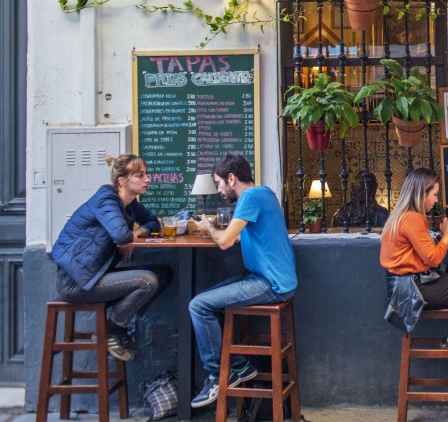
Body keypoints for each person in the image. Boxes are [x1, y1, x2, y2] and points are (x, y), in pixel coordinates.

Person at [189, 153, 298, 408]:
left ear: (231, 178)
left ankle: (220, 374)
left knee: (198, 306)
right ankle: (238, 365)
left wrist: (209, 228)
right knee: (206, 301)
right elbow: (251, 234)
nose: (218, 189)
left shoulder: (249, 197)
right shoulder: (265, 193)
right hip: (267, 278)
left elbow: (225, 242)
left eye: (218, 183)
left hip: (271, 284)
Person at [50, 154, 173, 362]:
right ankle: (111, 331)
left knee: (163, 273)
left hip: (96, 275)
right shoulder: (106, 199)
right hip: (76, 282)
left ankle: (119, 324)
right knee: (147, 281)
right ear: (122, 181)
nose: (148, 179)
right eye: (140, 175)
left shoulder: (130, 205)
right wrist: (128, 236)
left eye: (146, 174)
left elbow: (154, 222)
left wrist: (135, 233)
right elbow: (120, 235)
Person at [380, 168, 448, 365]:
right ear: (421, 193)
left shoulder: (403, 216)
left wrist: (441, 236)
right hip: (413, 291)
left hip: (406, 288)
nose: (436, 200)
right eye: (434, 194)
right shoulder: (412, 218)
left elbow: (421, 255)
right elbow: (433, 260)